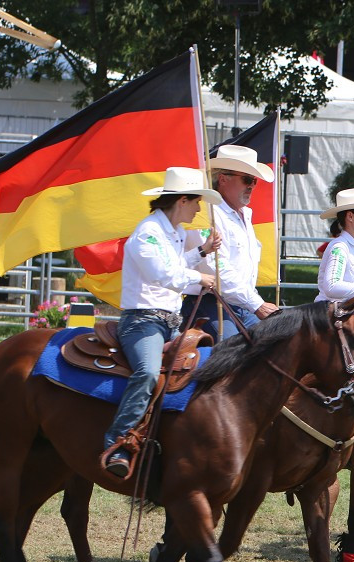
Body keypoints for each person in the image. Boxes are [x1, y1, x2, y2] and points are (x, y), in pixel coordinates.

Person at [102, 167, 222, 477]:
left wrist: (201, 252)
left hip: (169, 321)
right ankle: (117, 441)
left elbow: (173, 264)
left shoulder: (173, 232)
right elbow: (163, 274)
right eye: (196, 202)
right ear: (182, 200)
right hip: (141, 321)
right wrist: (201, 276)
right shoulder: (147, 232)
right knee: (147, 372)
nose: (199, 209)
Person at [181, 145, 278, 339]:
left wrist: (253, 303)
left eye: (254, 180)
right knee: (235, 355)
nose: (251, 185)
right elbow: (217, 268)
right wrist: (256, 304)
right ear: (223, 179)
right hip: (209, 302)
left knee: (274, 347)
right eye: (246, 179)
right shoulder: (208, 215)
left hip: (241, 304)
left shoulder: (244, 215)